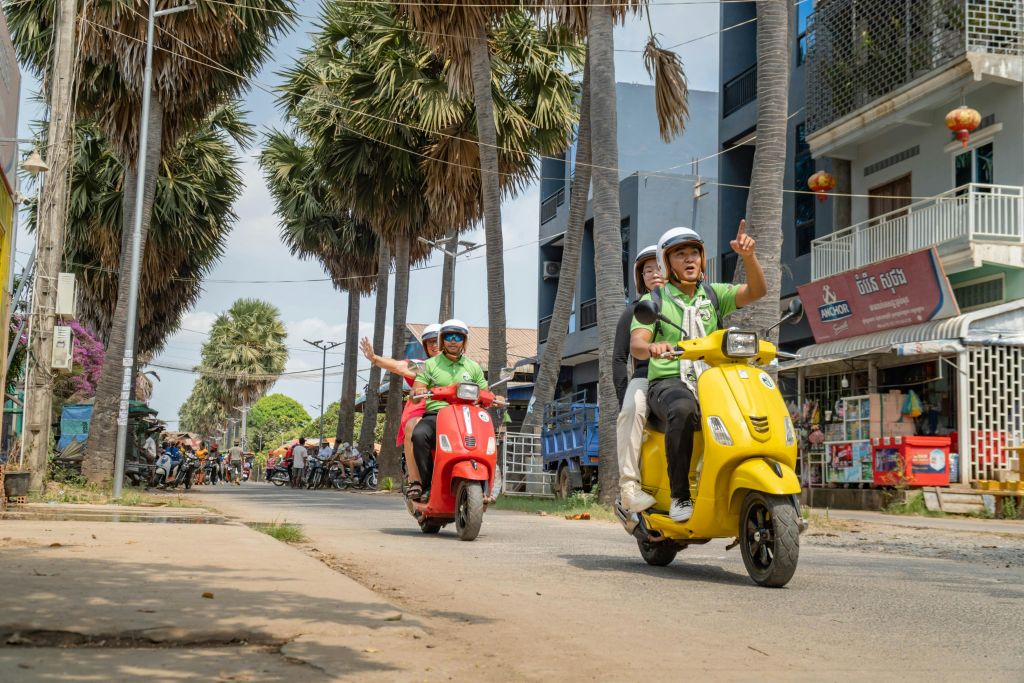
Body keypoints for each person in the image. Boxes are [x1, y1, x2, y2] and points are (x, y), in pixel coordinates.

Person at [630, 221, 766, 522]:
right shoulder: (655, 300)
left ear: (702, 258)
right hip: (669, 380)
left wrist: (749, 256)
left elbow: (757, 291)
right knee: (683, 409)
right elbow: (637, 344)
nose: (689, 259)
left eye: (694, 253)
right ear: (667, 263)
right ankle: (680, 496)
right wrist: (653, 346)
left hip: (712, 379)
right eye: (680, 255)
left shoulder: (713, 294)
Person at [361, 323, 442, 501]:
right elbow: (399, 366)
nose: (434, 345)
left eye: (438, 341)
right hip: (424, 408)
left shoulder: (462, 365)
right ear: (425, 346)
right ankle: (416, 480)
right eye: (430, 342)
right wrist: (374, 358)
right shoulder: (423, 366)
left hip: (452, 410)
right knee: (413, 428)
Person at [411, 319, 490, 501]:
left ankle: (485, 487)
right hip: (437, 416)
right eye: (448, 337)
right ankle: (427, 486)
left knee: (488, 439)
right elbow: (417, 388)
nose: (453, 341)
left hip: (467, 416)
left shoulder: (473, 367)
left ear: (464, 341)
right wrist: (419, 391)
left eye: (458, 337)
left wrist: (495, 398)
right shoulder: (430, 365)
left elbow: (485, 391)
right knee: (419, 435)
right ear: (442, 340)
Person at [614, 245, 663, 512]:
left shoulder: (690, 305)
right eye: (648, 270)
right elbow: (619, 359)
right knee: (632, 410)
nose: (654, 274)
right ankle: (629, 487)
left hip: (688, 374)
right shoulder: (633, 311)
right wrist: (624, 398)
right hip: (646, 376)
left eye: (659, 268)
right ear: (640, 277)